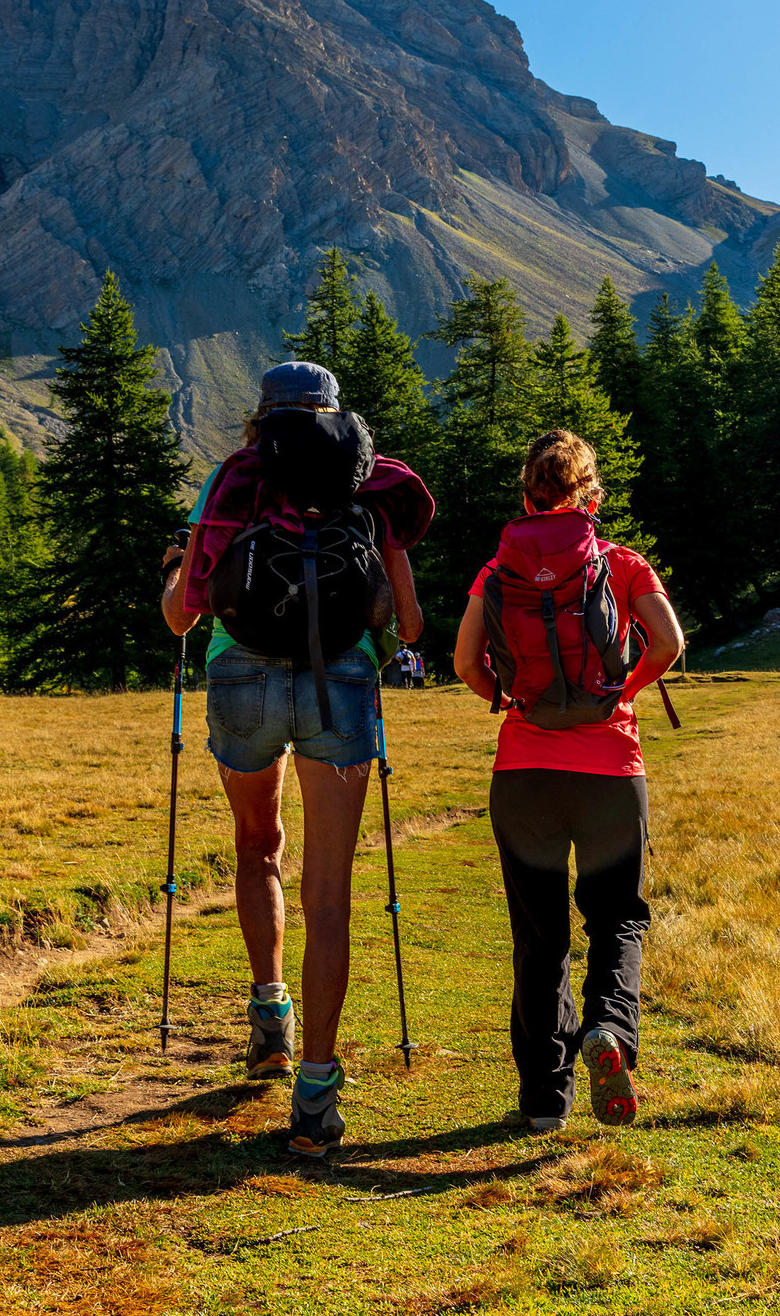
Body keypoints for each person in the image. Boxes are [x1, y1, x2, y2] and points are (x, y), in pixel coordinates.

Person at [161, 360, 432, 1157]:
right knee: (332, 889)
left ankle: (269, 1015)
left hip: (241, 673)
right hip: (342, 685)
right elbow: (409, 625)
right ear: (337, 415)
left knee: (258, 846)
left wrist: (174, 570)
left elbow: (183, 615)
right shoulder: (367, 484)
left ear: (261, 415)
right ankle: (316, 1094)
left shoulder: (232, 478)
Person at [452, 429, 684, 1133]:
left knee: (540, 937)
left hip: (524, 773)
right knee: (617, 919)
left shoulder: (499, 571)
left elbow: (465, 661)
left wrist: (512, 699)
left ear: (527, 496)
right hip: (612, 771)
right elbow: (670, 642)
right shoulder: (620, 563)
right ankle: (609, 1028)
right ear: (592, 497)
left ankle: (543, 1098)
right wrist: (623, 691)